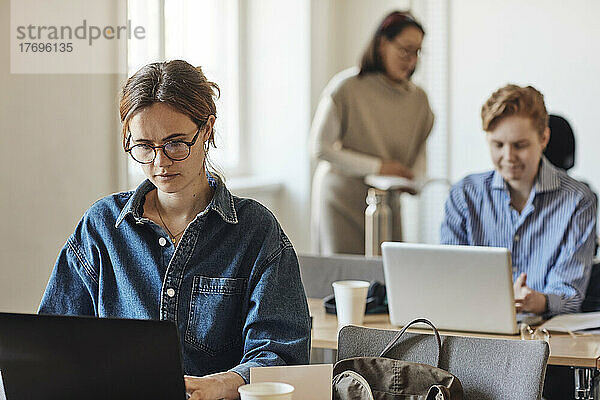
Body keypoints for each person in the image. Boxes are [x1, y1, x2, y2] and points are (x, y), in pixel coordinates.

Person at [38, 60, 311, 400]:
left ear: (207, 129)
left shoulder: (255, 230)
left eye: (176, 143)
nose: (161, 162)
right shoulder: (101, 227)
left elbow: (283, 353)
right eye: (144, 147)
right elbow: (51, 343)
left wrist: (222, 384)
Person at [440, 84, 597, 316]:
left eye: (519, 145)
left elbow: (570, 294)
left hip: (544, 331)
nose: (508, 157)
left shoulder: (578, 200)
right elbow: (449, 278)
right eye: (498, 145)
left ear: (543, 138)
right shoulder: (464, 195)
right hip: (476, 326)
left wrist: (537, 301)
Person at [310, 11, 434, 255]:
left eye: (417, 52)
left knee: (387, 278)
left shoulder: (420, 100)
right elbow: (319, 147)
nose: (411, 59)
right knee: (342, 280)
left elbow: (419, 155)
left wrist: (415, 180)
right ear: (382, 44)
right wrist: (379, 167)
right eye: (405, 50)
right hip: (340, 200)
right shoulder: (346, 87)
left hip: (386, 203)